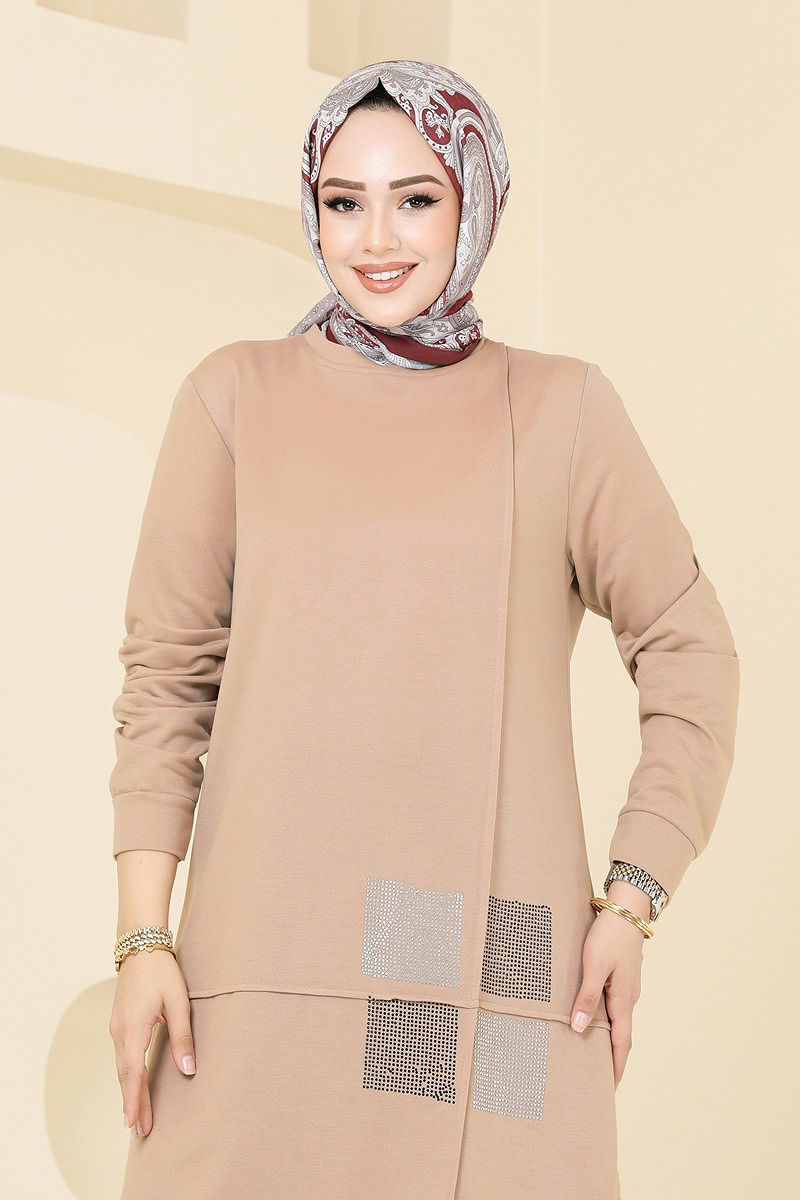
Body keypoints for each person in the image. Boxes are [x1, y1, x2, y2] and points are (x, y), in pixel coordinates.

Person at [108, 60, 740, 1200]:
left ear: (474, 199)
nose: (376, 238)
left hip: (481, 966)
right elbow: (167, 682)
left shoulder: (558, 411)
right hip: (256, 963)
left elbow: (689, 649)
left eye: (415, 197)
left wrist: (633, 894)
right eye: (343, 200)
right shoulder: (234, 397)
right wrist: (143, 938)